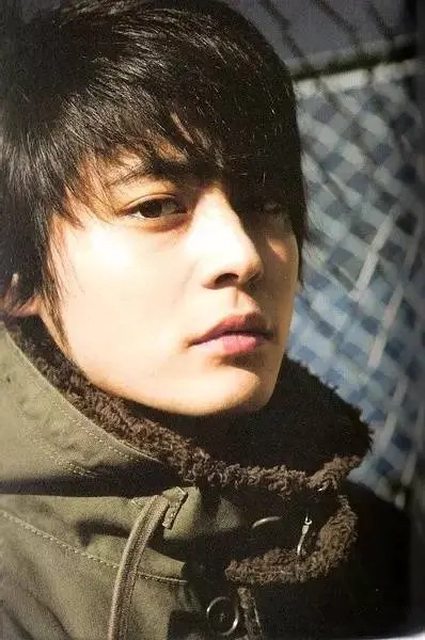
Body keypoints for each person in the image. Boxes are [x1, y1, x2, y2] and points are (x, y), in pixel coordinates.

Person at [0, 1, 423, 638]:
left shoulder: (371, 553)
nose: (242, 256)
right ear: (16, 274)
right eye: (155, 207)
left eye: (265, 202)